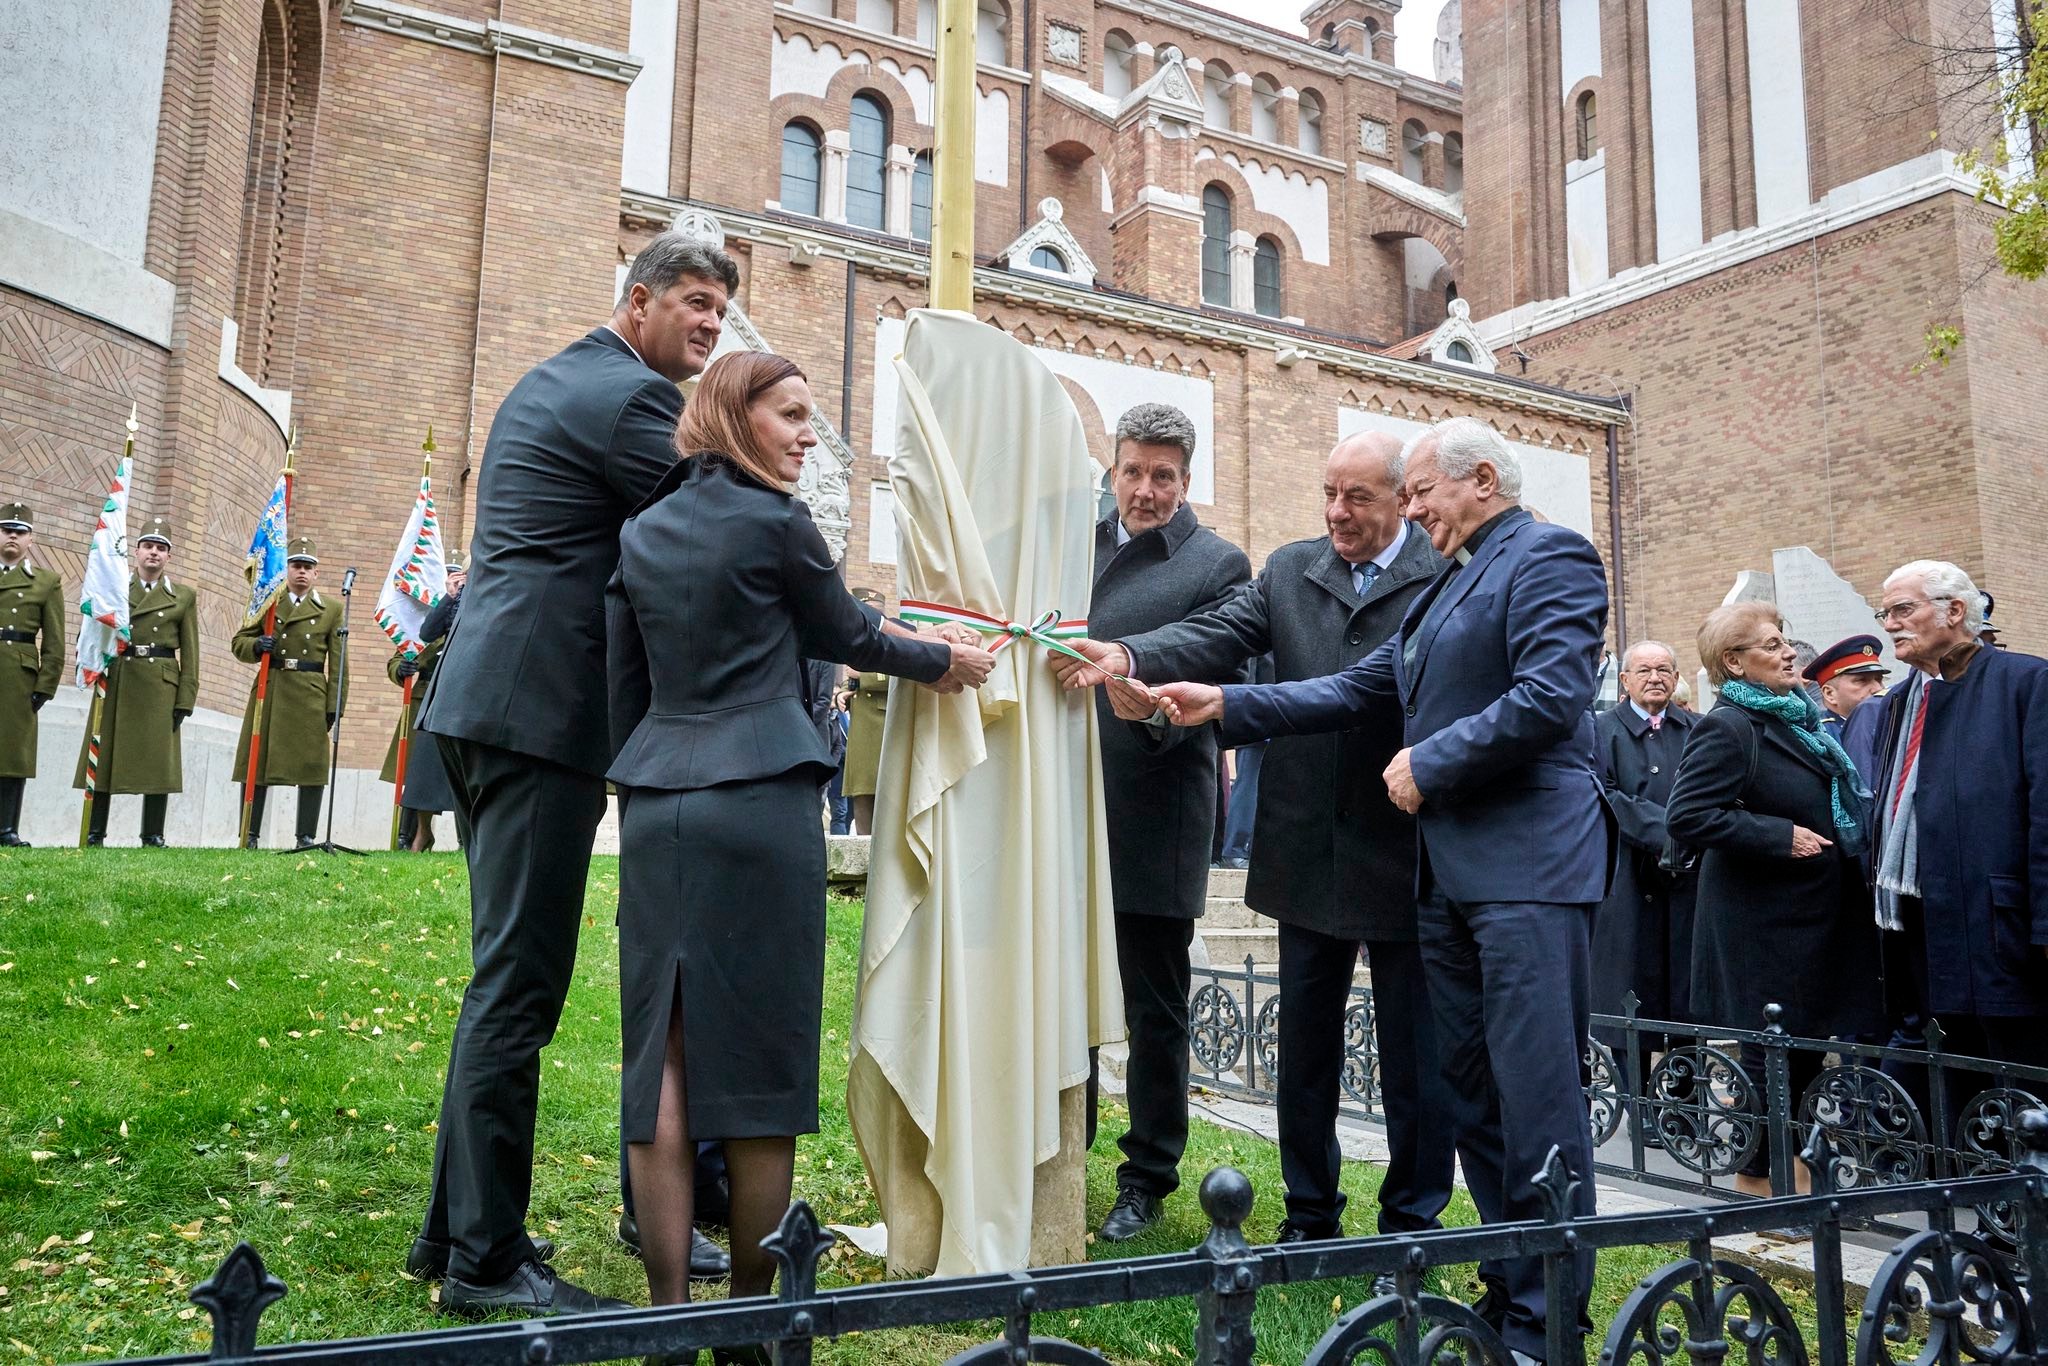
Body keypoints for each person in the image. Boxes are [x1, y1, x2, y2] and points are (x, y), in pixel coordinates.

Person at [1150, 416, 1609, 1360]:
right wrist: (1225, 703)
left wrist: (1430, 762)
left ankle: (1551, 1314)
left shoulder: (1551, 557)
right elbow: (1360, 688)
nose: (1413, 512)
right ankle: (1503, 1277)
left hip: (1524, 869)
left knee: (1535, 1094)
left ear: (1482, 480)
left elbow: (1551, 696)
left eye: (1422, 494)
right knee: (1473, 1092)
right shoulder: (1447, 581)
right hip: (1447, 880)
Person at [605, 351, 989, 1322]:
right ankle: (743, 1314)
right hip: (761, 805)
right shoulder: (778, 524)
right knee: (762, 1063)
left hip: (657, 807)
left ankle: (663, 1314)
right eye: (790, 415)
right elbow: (848, 632)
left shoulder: (641, 530)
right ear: (736, 417)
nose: (808, 433)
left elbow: (621, 683)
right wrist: (944, 658)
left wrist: (647, 767)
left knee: (663, 1056)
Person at [410, 232, 737, 1317]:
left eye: (720, 312)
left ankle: (457, 1228)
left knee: (502, 976)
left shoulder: (565, 375)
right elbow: (717, 525)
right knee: (518, 987)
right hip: (534, 713)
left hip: (497, 703)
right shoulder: (627, 401)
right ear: (636, 300)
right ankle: (485, 1263)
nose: (708, 325)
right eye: (693, 303)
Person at [1060, 430, 1454, 1258]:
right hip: (1306, 838)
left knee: (1414, 1056)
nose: (1337, 514)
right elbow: (1216, 633)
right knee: (1303, 1049)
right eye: (1329, 495)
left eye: (1358, 500)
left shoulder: (1441, 579)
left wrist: (1226, 706)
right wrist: (1130, 653)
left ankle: (1411, 1221)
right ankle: (1309, 1213)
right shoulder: (1291, 568)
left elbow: (1364, 690)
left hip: (1402, 842)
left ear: (1401, 501)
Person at [1076, 402, 1251, 1243]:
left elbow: (1218, 641)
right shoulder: (1075, 542)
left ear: (1187, 480)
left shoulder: (1219, 563)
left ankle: (1146, 1175)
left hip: (1156, 805)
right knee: (1061, 988)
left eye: (1164, 477)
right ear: (1112, 469)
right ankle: (1059, 1148)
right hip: (1067, 802)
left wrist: (1133, 662)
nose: (1145, 491)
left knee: (1153, 1007)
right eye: (1133, 472)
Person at [1665, 602, 1880, 1196]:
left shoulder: (1799, 719)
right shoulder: (1729, 725)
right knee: (1770, 1053)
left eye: (1785, 640)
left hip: (1812, 916)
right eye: (1771, 644)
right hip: (1762, 922)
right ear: (1734, 663)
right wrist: (1776, 835)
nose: (1788, 652)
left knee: (1804, 1049)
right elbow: (1688, 815)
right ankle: (1760, 1178)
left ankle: (1801, 1162)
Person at [1862, 561, 2048, 1066]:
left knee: (2016, 1100)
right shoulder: (1898, 702)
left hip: (1999, 933)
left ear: (1955, 611)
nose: (1890, 624)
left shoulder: (2026, 683)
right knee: (1947, 1097)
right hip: (1917, 928)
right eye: (1886, 613)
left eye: (1903, 609)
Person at [1591, 640, 1697, 1133]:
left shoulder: (1696, 729)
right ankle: (1641, 1109)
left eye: (1664, 669)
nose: (1655, 677)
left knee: (1685, 996)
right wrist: (1664, 831)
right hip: (1628, 881)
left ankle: (1683, 1102)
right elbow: (1603, 793)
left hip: (1689, 881)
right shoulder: (1601, 730)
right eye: (1644, 670)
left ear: (1676, 679)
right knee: (1630, 996)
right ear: (1626, 681)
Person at [75, 518, 199, 846]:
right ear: (137, 551)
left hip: (160, 684)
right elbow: (91, 631)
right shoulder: (113, 588)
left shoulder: (183, 596)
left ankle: (153, 834)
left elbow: (191, 650)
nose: (154, 554)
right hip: (118, 677)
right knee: (104, 755)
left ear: (168, 556)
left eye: (161, 548)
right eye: (148, 547)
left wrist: (186, 696)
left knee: (159, 762)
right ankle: (95, 831)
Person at [232, 536, 344, 850]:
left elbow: (338, 662)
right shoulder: (269, 601)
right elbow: (239, 643)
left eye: (308, 567)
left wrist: (336, 703)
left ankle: (305, 835)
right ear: (286, 569)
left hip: (309, 692)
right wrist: (256, 646)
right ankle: (249, 834)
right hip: (273, 687)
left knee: (312, 766)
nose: (302, 573)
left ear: (316, 573)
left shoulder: (331, 609)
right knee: (256, 762)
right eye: (296, 566)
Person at [382, 555, 467, 852]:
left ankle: (462, 839)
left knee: (460, 770)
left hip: (458, 697)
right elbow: (399, 657)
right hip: (424, 697)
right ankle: (408, 836)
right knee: (416, 772)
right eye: (450, 576)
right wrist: (401, 670)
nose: (455, 581)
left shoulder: (467, 608)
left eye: (460, 575)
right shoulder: (424, 615)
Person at [0, 502, 62, 847]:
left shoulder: (46, 582)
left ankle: (6, 829)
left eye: (20, 531)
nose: (13, 535)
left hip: (18, 676)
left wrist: (46, 685)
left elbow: (54, 639)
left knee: (12, 753)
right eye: (7, 529)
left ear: (30, 540)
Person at [841, 587, 889, 835]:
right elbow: (848, 679)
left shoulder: (893, 636)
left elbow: (903, 677)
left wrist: (865, 676)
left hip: (882, 727)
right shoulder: (853, 640)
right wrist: (842, 694)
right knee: (861, 796)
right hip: (861, 731)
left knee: (884, 798)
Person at [1805, 633, 1889, 743]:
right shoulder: (1821, 736)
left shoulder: (1889, 722)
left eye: (1879, 679)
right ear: (1830, 694)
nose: (1877, 688)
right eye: (1862, 680)